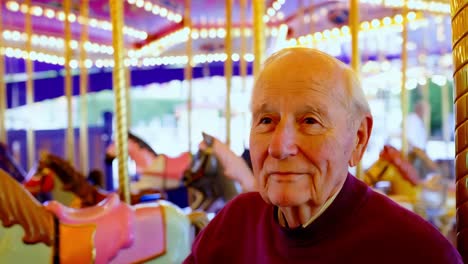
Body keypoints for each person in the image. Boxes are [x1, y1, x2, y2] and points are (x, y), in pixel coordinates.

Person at [183, 48, 461, 263]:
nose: (279, 148)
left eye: (310, 121)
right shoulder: (233, 224)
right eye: (266, 120)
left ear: (358, 139)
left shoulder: (417, 252)